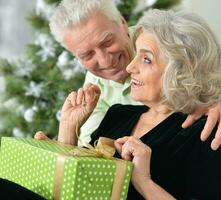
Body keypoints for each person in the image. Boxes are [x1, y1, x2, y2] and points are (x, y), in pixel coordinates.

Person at [54, 9, 221, 199]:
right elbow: (75, 186)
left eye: (147, 60)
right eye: (137, 56)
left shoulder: (208, 133)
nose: (130, 67)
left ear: (181, 71)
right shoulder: (118, 114)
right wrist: (68, 127)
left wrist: (143, 181)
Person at [49, 0, 221, 150]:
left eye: (107, 42)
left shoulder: (171, 42)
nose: (105, 61)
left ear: (123, 23)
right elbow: (91, 155)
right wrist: (67, 131)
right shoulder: (95, 88)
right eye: (87, 55)